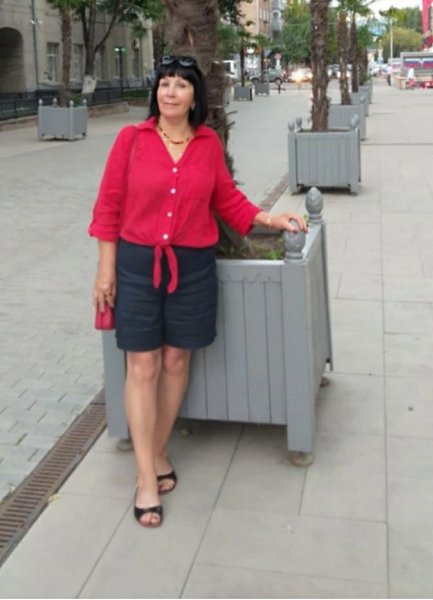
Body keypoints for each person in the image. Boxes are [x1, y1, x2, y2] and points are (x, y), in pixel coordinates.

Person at [89, 55, 307, 529]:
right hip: (137, 265)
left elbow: (226, 198)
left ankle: (157, 450)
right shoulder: (131, 140)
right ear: (157, 93)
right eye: (164, 84)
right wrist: (106, 271)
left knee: (176, 361)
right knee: (142, 364)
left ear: (195, 97)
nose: (170, 92)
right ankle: (145, 477)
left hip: (191, 267)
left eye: (181, 85)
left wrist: (272, 218)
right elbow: (108, 208)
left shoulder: (207, 143)